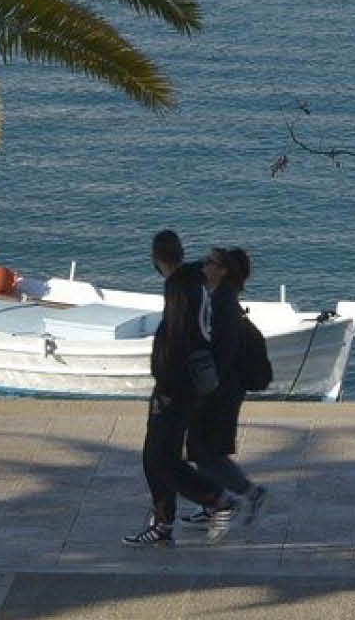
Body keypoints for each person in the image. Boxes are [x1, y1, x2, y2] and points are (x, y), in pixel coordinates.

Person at [125, 229, 246, 547]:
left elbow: (177, 342)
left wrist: (164, 381)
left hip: (174, 387)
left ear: (155, 259)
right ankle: (167, 520)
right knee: (159, 456)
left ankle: (215, 500)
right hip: (190, 384)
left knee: (160, 458)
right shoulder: (193, 280)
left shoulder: (179, 289)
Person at [184, 247, 264, 518]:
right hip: (220, 386)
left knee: (206, 450)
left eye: (210, 262)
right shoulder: (219, 299)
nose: (203, 266)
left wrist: (205, 386)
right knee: (204, 448)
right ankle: (213, 505)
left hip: (220, 389)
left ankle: (247, 493)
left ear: (223, 270)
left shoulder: (223, 305)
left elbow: (221, 352)